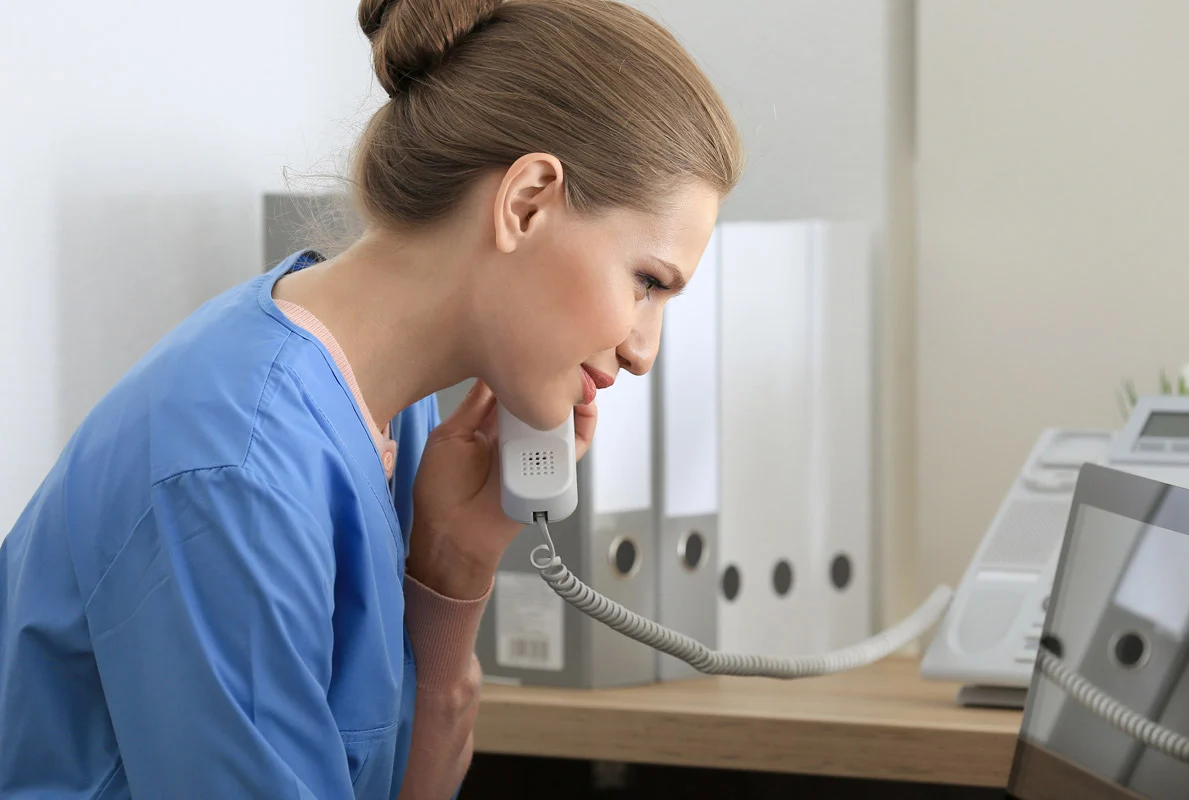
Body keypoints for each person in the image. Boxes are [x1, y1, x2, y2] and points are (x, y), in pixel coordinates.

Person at [0, 0, 741, 796]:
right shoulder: (238, 468)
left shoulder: (387, 411)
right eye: (648, 283)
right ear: (526, 202)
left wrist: (452, 567)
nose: (642, 350)